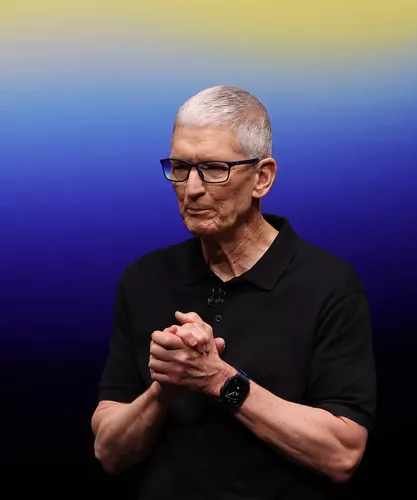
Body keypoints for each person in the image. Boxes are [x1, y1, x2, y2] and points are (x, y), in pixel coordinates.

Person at [91, 85, 378, 499]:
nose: (191, 189)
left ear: (262, 177)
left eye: (213, 169)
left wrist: (219, 378)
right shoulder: (144, 279)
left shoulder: (330, 286)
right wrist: (164, 389)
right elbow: (109, 452)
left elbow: (341, 454)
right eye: (180, 167)